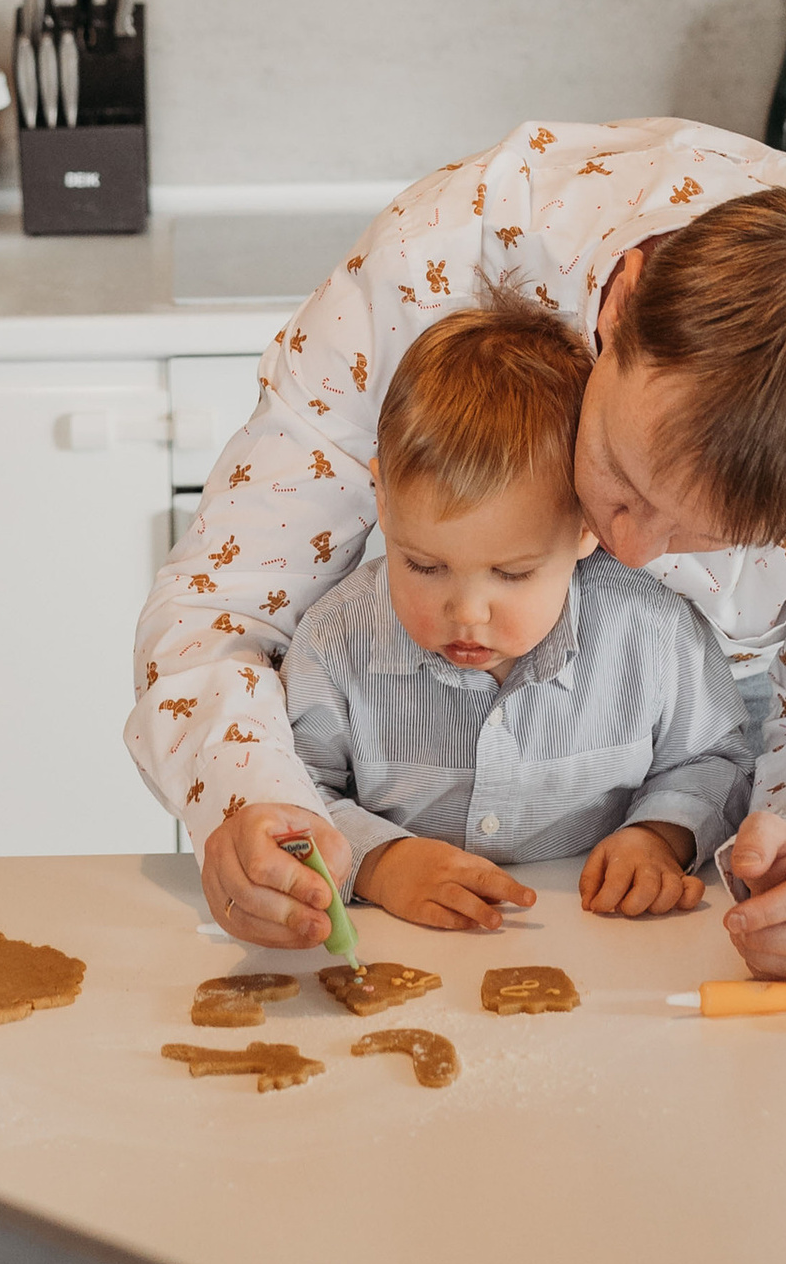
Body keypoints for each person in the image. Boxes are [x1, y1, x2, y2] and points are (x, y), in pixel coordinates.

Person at [129, 123, 786, 981]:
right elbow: (226, 607)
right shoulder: (432, 264)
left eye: (706, 536)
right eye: (620, 480)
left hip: (723, 761)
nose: (628, 549)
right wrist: (252, 804)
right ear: (616, 310)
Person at [282, 294, 753, 934]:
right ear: (384, 502)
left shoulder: (651, 632)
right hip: (401, 946)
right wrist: (379, 863)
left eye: (512, 574)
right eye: (424, 565)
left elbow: (713, 760)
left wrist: (659, 836)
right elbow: (289, 792)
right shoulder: (335, 642)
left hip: (601, 951)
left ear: (588, 526)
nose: (467, 611)